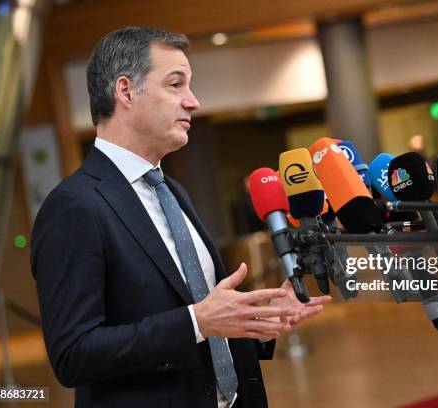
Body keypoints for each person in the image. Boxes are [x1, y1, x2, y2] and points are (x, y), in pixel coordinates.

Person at [30, 27, 331, 408]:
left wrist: (257, 322)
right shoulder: (73, 207)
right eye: (176, 85)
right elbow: (73, 354)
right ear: (125, 92)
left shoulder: (172, 191)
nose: (193, 101)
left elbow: (206, 322)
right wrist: (195, 322)